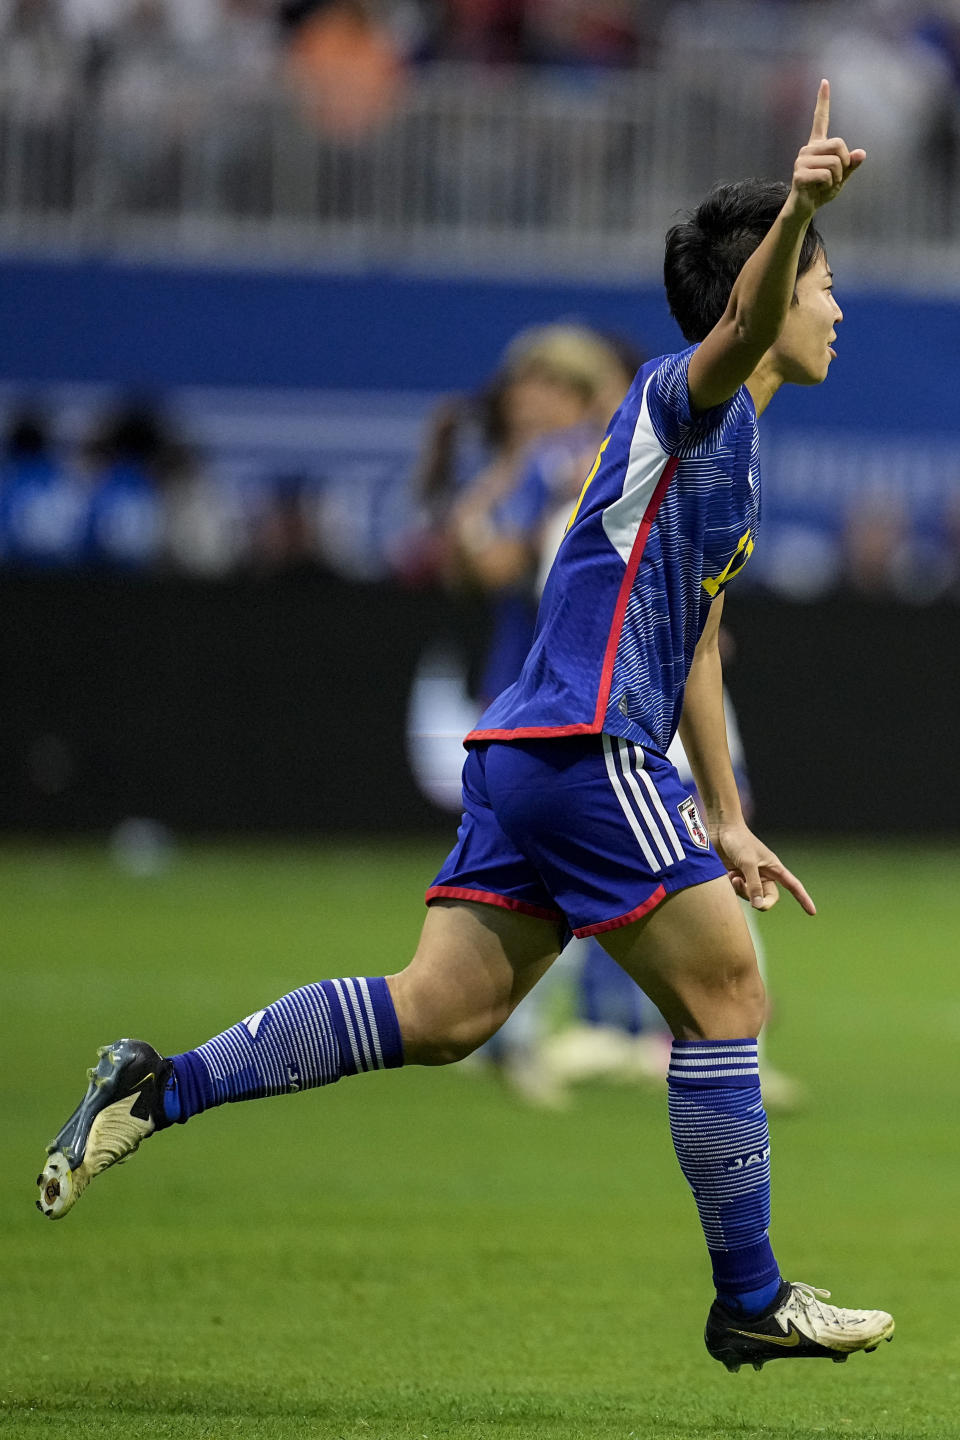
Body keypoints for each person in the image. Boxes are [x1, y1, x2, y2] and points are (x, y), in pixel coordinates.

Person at [37, 81, 895, 1374]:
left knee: (440, 1015)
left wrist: (726, 814)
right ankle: (751, 1296)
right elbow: (742, 319)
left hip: (528, 756)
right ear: (769, 294)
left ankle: (158, 1084)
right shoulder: (681, 398)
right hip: (580, 743)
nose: (836, 311)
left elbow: (700, 640)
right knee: (729, 997)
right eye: (824, 285)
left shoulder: (735, 457)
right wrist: (801, 210)